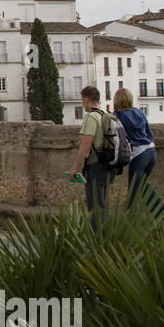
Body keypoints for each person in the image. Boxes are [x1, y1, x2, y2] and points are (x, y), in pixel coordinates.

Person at [113, 88, 164, 217]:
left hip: (138, 155)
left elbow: (116, 137)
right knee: (141, 185)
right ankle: (159, 212)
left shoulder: (118, 116)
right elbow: (149, 132)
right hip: (151, 151)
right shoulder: (139, 112)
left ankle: (133, 218)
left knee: (134, 191)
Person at [69, 86, 111, 229]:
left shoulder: (91, 117)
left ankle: (98, 242)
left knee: (95, 208)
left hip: (96, 166)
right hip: (109, 165)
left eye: (82, 100)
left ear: (86, 99)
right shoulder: (107, 114)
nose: (82, 103)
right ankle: (104, 239)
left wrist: (75, 168)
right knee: (102, 204)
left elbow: (86, 144)